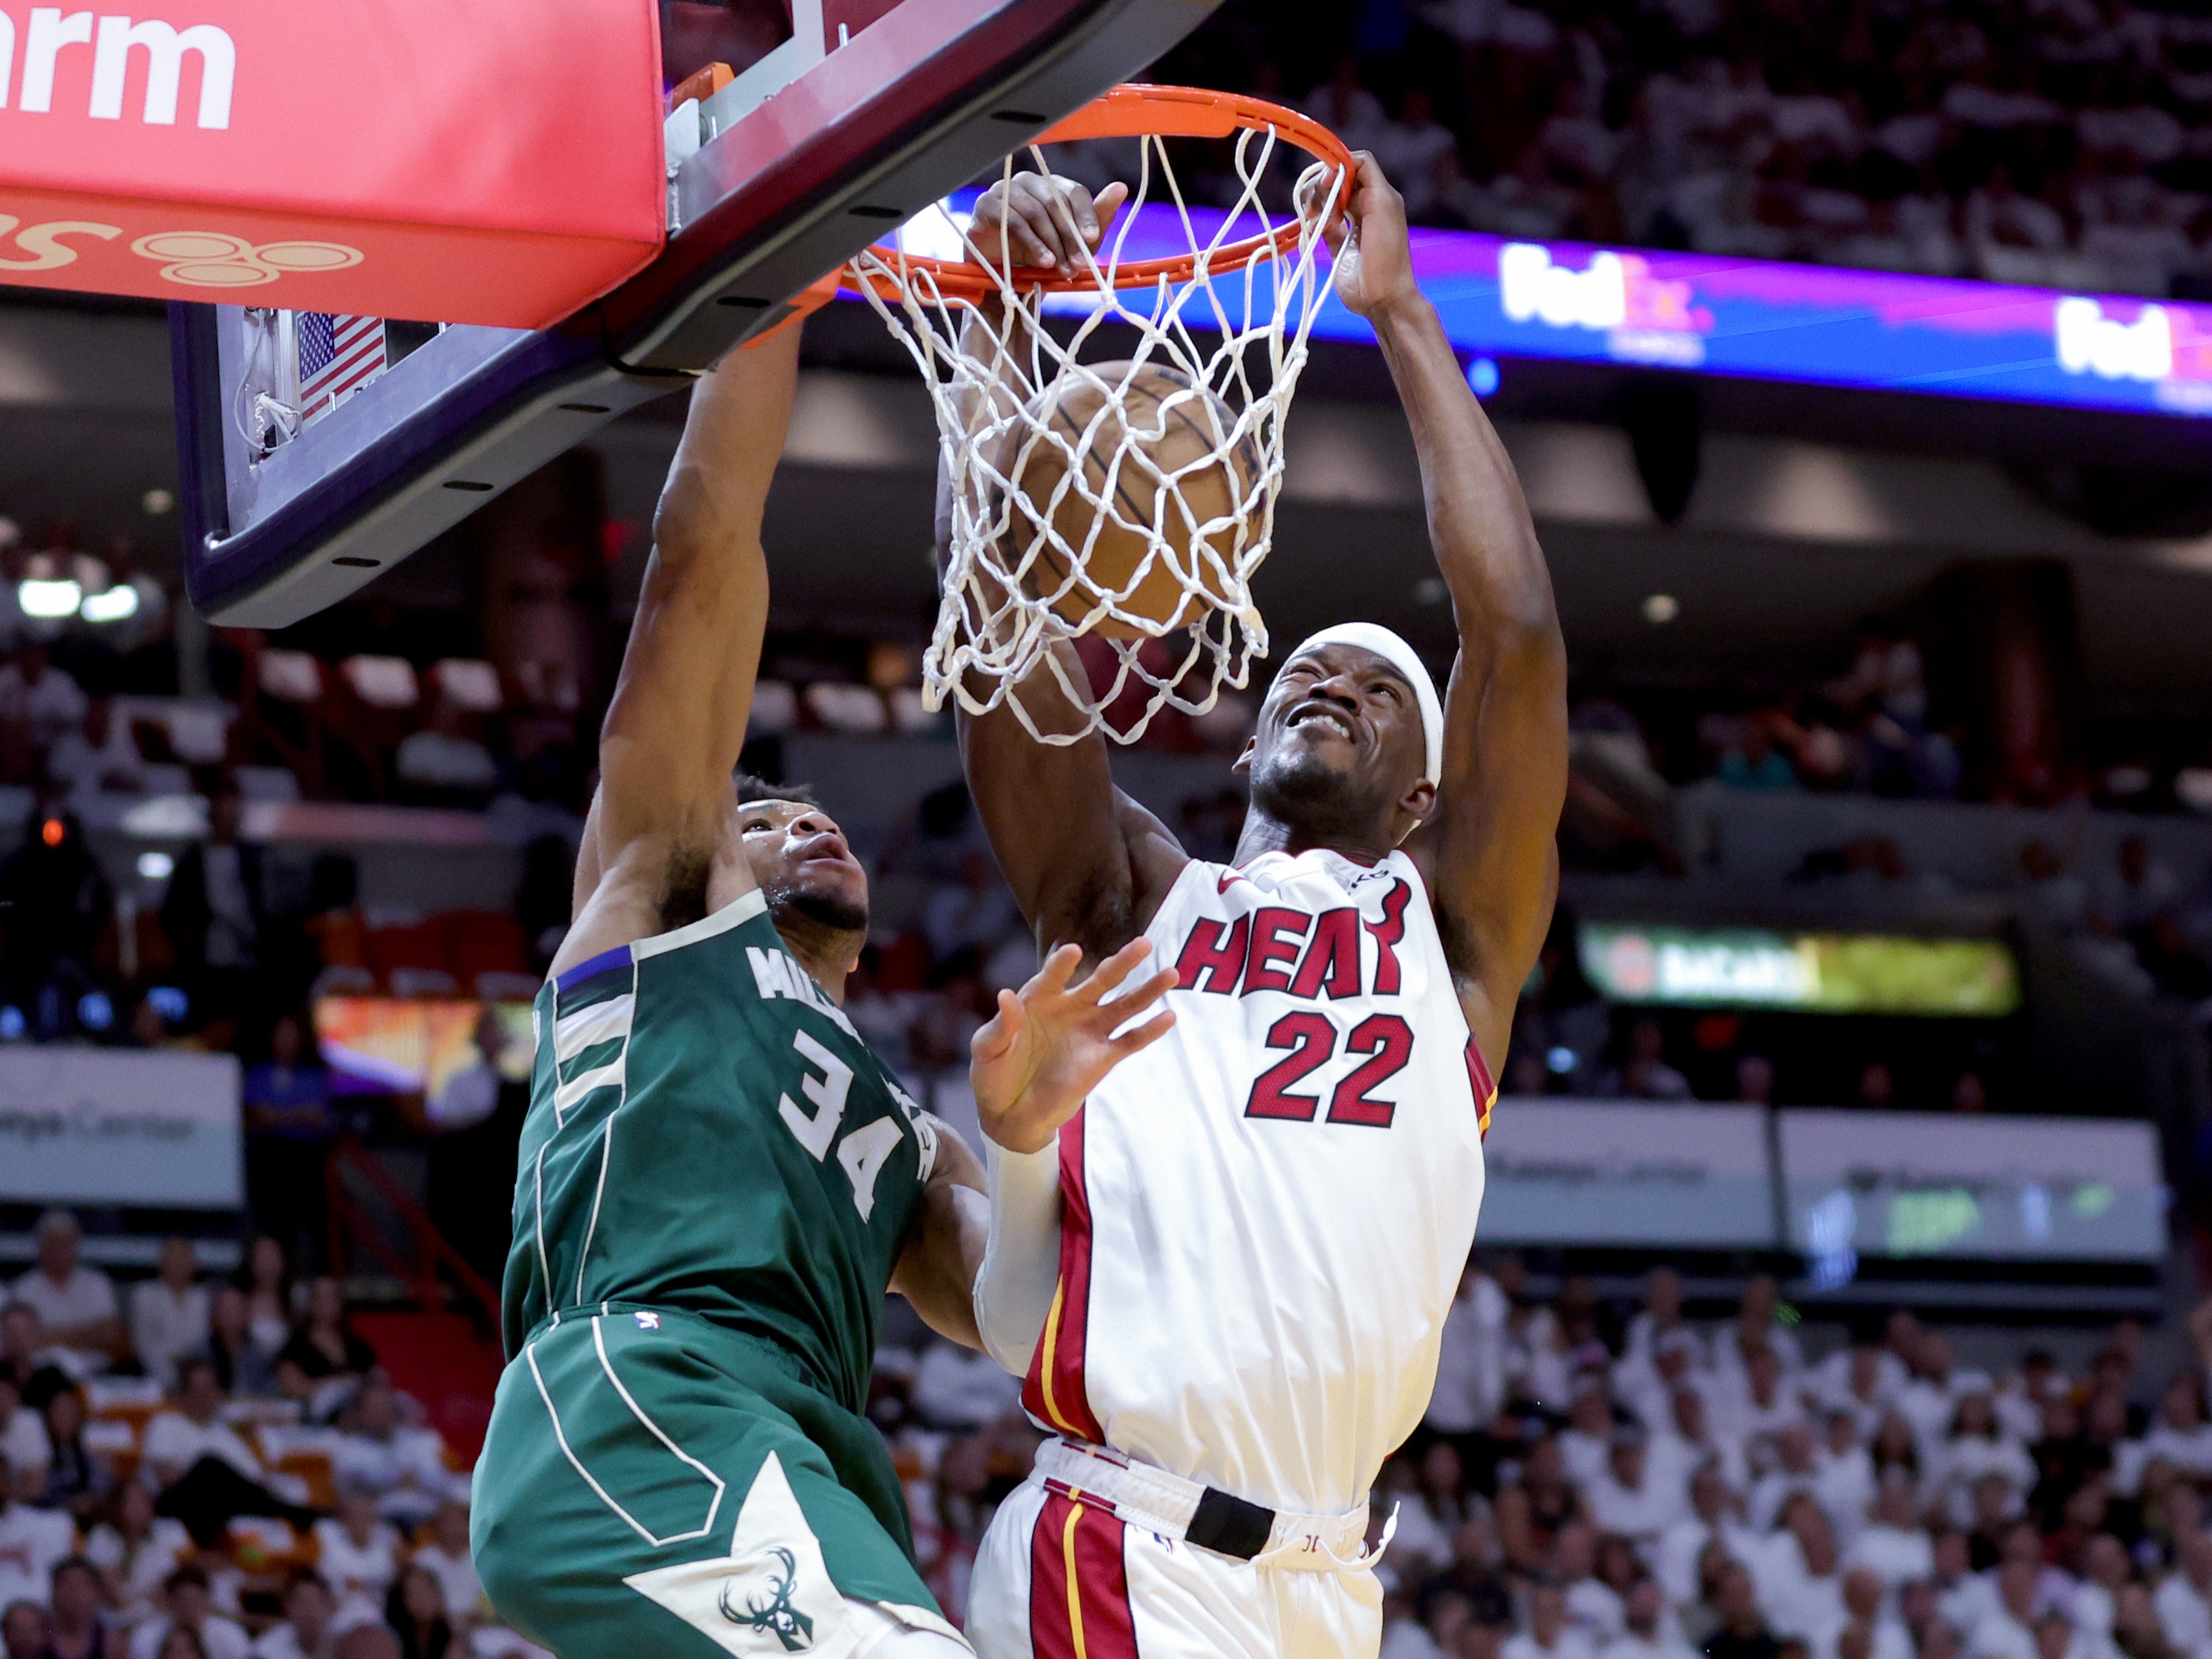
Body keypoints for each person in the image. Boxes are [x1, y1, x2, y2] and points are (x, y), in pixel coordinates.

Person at [467, 319, 1174, 1659]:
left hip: (809, 1450)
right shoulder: (668, 909)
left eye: (820, 814)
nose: (809, 822)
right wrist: (780, 286)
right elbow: (702, 556)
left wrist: (1026, 1146)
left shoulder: (903, 1127)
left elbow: (1020, 1318)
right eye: (770, 815)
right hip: (640, 1388)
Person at [949, 154, 1567, 1658]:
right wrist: (994, 333)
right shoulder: (1138, 889)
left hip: (1328, 1577)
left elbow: (1519, 633)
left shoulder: (1455, 941)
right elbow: (1005, 649)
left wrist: (1400, 313)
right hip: (1131, 1538)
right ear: (1243, 739)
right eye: (1306, 669)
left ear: (1428, 800)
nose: (1331, 678)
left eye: (1378, 687)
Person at [9, 1213, 121, 1370]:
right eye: (53, 1243)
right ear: (41, 1246)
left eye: (65, 1243)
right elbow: (20, 1342)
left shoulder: (97, 1283)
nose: (60, 1250)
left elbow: (109, 1335)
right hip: (41, 1374)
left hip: (95, 1371)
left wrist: (50, 1336)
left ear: (76, 1244)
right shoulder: (23, 1288)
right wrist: (86, 1335)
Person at [128, 1243, 209, 1393]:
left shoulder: (204, 1299)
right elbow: (144, 1345)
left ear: (195, 1263)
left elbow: (201, 1344)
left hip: (197, 1386)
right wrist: (171, 1381)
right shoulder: (144, 1295)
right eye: (173, 1258)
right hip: (153, 1381)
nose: (178, 1263)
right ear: (160, 1262)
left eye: (183, 1257)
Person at [46, 1556, 121, 1659]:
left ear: (98, 1594)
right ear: (53, 1591)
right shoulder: (38, 1637)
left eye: (81, 1586)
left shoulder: (110, 1643)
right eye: (67, 1585)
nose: (74, 1594)